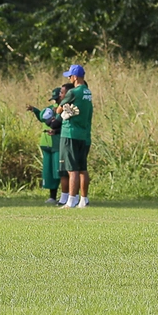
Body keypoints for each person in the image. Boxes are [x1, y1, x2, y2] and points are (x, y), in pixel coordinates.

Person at [57, 64, 94, 209]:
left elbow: (59, 109)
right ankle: (83, 199)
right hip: (83, 134)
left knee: (72, 169)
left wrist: (61, 110)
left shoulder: (73, 92)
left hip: (70, 133)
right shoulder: (88, 92)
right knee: (82, 168)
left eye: (70, 76)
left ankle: (71, 200)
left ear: (75, 77)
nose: (69, 78)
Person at [28, 85, 68, 205]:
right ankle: (52, 195)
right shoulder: (49, 109)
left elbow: (58, 123)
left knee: (59, 171)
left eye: (58, 99)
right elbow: (43, 117)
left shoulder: (63, 110)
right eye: (54, 99)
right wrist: (35, 111)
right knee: (48, 171)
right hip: (46, 143)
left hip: (57, 144)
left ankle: (65, 196)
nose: (56, 102)